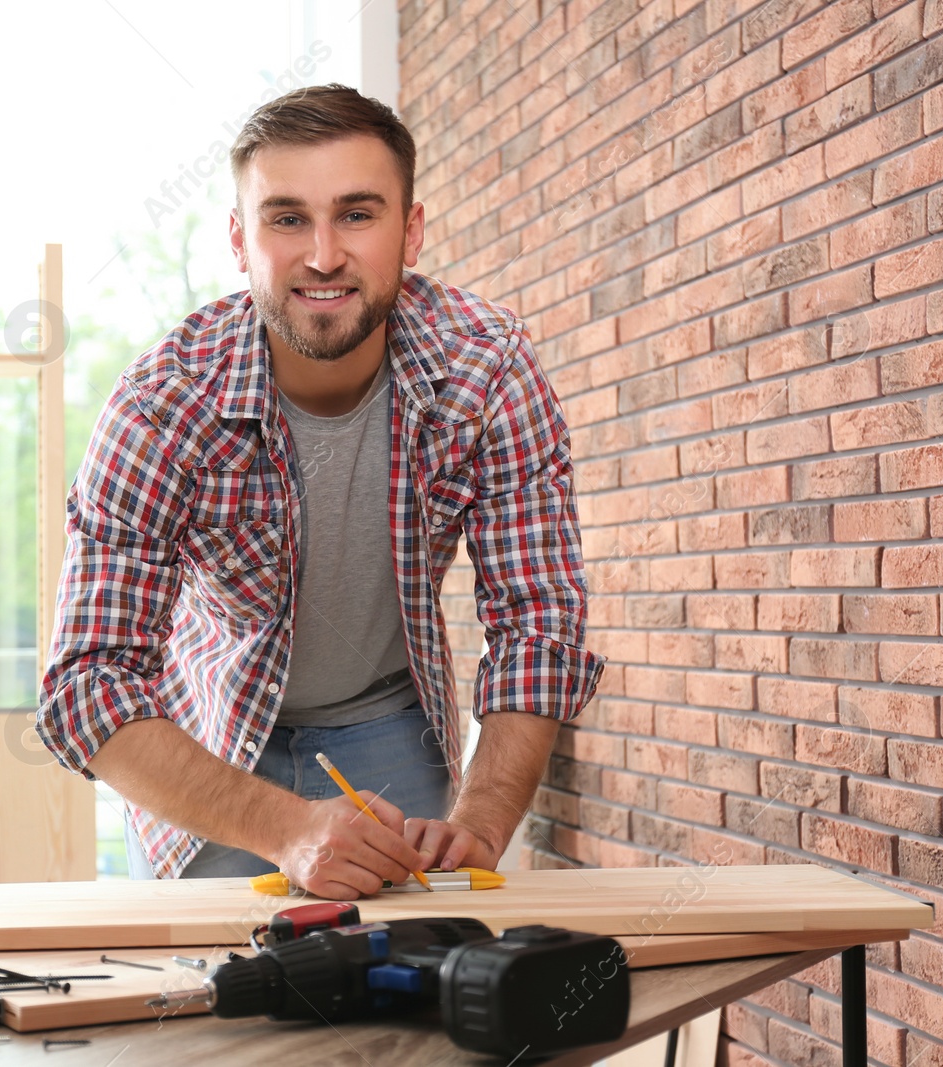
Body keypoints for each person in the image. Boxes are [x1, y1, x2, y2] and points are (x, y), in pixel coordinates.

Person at [36, 83, 603, 899]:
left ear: (410, 231)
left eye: (358, 214)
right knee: (212, 1006)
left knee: (401, 1006)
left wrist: (480, 820)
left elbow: (539, 619)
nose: (325, 255)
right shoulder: (163, 404)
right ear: (240, 239)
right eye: (288, 217)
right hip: (208, 745)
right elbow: (88, 683)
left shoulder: (488, 370)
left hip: (390, 727)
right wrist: (288, 829)